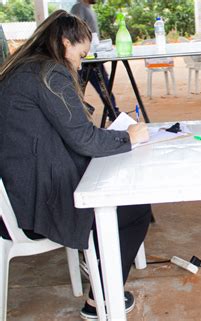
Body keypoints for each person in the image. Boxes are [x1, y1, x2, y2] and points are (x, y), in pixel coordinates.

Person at [0, 10, 151, 319]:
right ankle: (100, 301)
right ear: (64, 42)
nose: (81, 64)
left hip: (17, 191)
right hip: (34, 203)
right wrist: (129, 138)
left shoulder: (22, 69)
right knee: (136, 210)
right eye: (81, 54)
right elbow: (82, 139)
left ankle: (97, 263)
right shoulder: (49, 73)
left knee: (112, 183)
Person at [71, 0, 120, 119]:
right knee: (78, 90)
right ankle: (113, 113)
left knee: (104, 85)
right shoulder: (79, 7)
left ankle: (113, 112)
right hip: (85, 58)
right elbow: (75, 32)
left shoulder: (87, 8)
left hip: (92, 55)